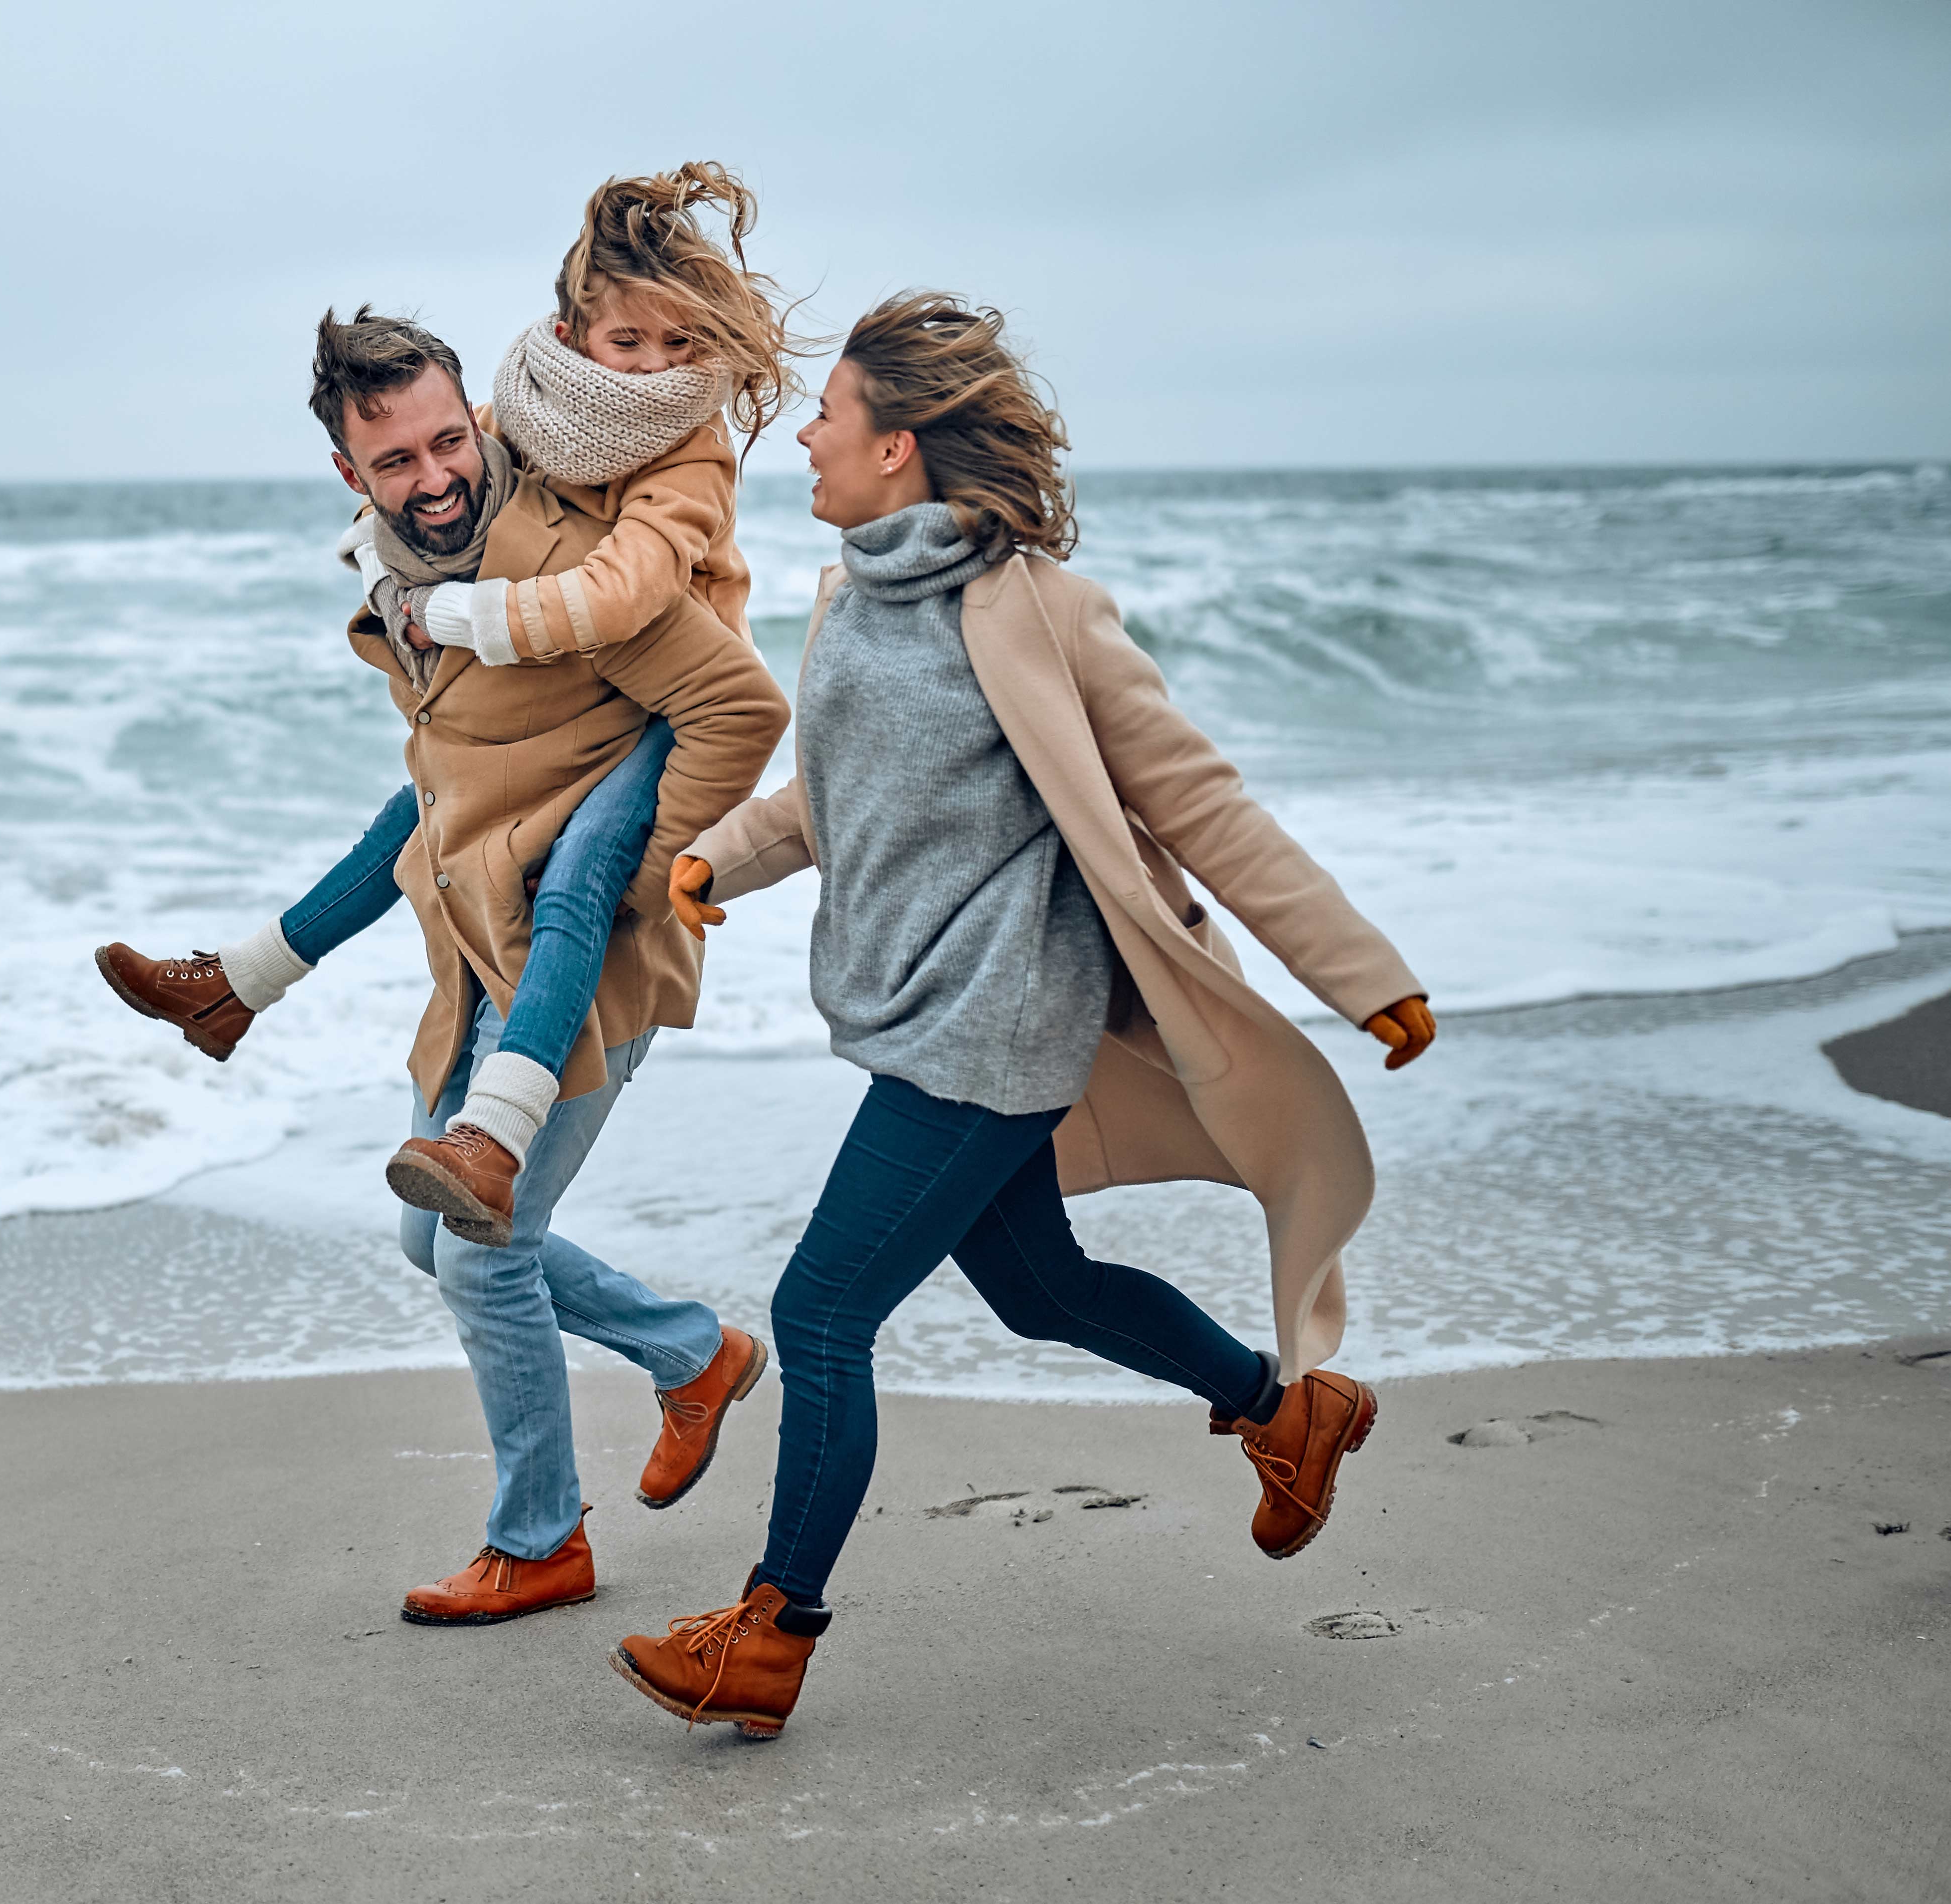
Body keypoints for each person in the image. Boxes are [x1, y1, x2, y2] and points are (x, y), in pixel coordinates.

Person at [610, 294, 1439, 1739]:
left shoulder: (1035, 608)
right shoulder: (852, 592)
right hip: (912, 1001)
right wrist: (716, 856)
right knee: (1036, 1289)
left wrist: (1357, 970)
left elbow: (1193, 793)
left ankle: (769, 1633)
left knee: (818, 1313)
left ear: (899, 444)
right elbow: (842, 788)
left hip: (999, 1018)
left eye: (827, 413)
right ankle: (1283, 1411)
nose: (803, 435)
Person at [108, 307, 792, 1625]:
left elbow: (741, 706)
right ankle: (689, 1354)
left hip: (584, 957)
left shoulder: (564, 566)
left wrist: (640, 879)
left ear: (477, 418)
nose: (433, 480)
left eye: (447, 444)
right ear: (347, 476)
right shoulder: (396, 575)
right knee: (434, 1239)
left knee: (484, 1253)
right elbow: (440, 787)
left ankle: (539, 1540)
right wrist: (268, 958)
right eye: (394, 463)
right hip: (482, 948)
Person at [98, 162, 796, 1247]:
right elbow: (459, 479)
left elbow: (634, 593)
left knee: (580, 877)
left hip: (663, 706)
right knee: (419, 808)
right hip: (571, 674)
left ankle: (497, 1132)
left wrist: (457, 614)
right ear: (571, 338)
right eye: (630, 344)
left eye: (678, 345)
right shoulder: (532, 412)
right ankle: (239, 982)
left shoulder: (686, 445)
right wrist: (388, 572)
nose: (656, 368)